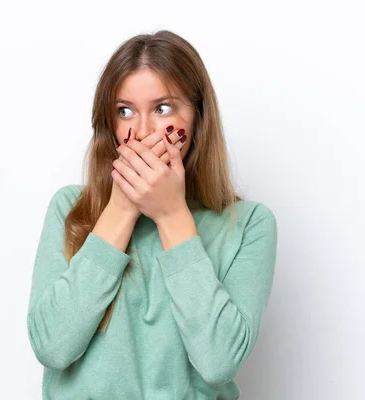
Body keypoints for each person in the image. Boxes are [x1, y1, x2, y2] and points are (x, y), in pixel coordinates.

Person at [26, 30, 278, 400]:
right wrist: (121, 208)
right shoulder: (70, 210)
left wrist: (172, 216)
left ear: (197, 119)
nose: (142, 131)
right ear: (109, 126)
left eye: (162, 108)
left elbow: (219, 361)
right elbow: (51, 346)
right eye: (124, 111)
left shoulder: (249, 224)